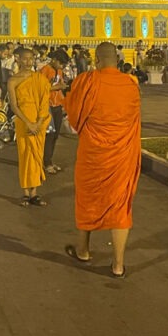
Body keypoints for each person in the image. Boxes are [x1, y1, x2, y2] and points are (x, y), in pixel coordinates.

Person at [63, 42, 141, 277]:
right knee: (120, 206)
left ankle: (84, 250)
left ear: (96, 60)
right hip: (121, 155)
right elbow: (134, 119)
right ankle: (118, 264)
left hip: (93, 153)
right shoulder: (131, 84)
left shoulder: (86, 81)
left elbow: (75, 118)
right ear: (117, 59)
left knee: (87, 198)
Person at [7, 45, 51, 207]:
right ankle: (26, 192)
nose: (28, 61)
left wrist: (38, 122)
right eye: (25, 58)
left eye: (31, 58)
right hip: (23, 122)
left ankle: (35, 193)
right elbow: (14, 106)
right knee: (26, 155)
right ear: (17, 59)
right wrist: (28, 123)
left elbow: (44, 101)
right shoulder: (13, 80)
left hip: (39, 121)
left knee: (37, 156)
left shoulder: (40, 78)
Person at [41, 49, 69, 174]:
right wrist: (57, 87)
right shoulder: (44, 70)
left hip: (57, 104)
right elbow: (40, 89)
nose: (62, 67)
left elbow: (60, 84)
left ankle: (50, 160)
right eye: (61, 64)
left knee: (56, 134)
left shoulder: (59, 71)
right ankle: (46, 162)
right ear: (54, 60)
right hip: (47, 105)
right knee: (49, 135)